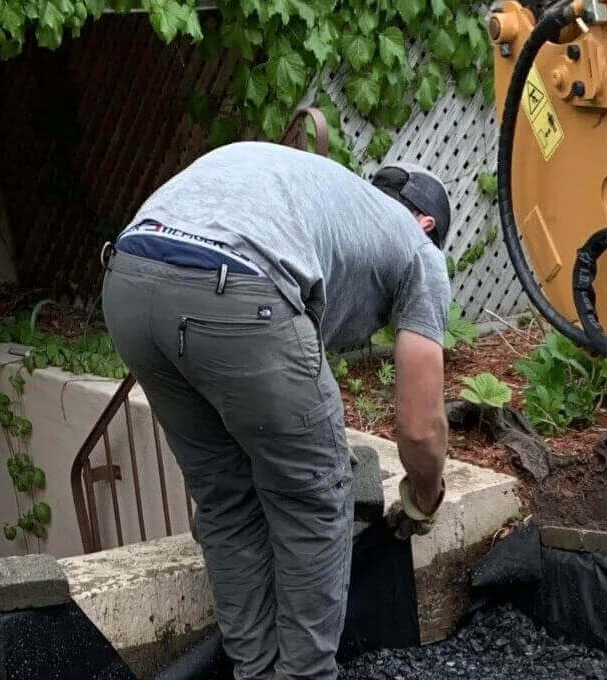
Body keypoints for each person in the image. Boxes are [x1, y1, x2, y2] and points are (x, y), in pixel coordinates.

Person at [99, 141, 452, 680]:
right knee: (316, 493)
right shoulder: (419, 251)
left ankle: (257, 673)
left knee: (223, 496)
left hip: (129, 278)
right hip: (237, 285)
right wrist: (424, 495)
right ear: (426, 222)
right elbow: (420, 426)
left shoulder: (333, 201)